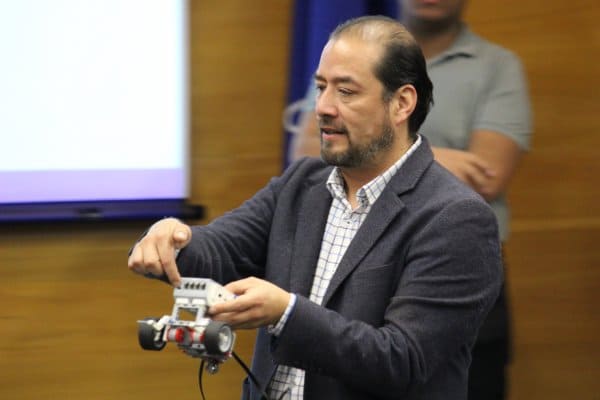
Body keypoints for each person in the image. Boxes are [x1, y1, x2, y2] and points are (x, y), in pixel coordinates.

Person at [128, 16, 502, 400]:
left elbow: (402, 360)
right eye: (321, 87)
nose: (322, 107)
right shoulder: (302, 183)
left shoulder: (455, 218)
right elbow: (222, 248)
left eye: (346, 91)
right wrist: (174, 240)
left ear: (402, 103)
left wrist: (286, 314)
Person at [290, 1, 532, 398]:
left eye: (347, 92)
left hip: (457, 268)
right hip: (357, 266)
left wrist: (372, 149)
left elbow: (486, 174)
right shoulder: (354, 53)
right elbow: (306, 151)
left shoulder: (496, 65)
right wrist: (437, 157)